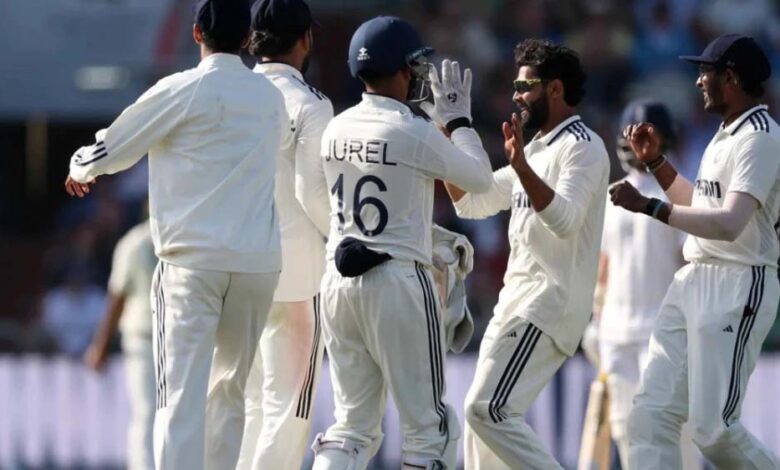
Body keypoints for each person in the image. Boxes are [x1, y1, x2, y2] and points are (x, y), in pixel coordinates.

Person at [64, 1, 287, 468]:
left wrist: (82, 165)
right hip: (256, 264)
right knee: (230, 395)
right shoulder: (271, 98)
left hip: (192, 266)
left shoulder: (183, 88)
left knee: (180, 398)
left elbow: (117, 146)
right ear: (248, 39)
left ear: (196, 33)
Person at [310, 16, 493, 470]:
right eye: (413, 66)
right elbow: (479, 179)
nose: (417, 75)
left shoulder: (335, 128)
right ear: (399, 69)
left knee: (351, 428)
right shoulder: (412, 130)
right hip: (397, 282)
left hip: (337, 280)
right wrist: (459, 122)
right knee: (429, 432)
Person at [610, 34, 780, 469]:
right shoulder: (726, 134)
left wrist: (649, 206)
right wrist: (656, 164)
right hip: (693, 280)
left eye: (706, 72)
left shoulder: (760, 137)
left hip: (737, 282)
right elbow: (702, 206)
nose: (699, 81)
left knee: (714, 431)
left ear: (731, 77)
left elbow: (728, 223)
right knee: (650, 417)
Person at [444, 38, 609, 468]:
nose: (516, 96)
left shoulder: (583, 146)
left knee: (488, 410)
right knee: (480, 428)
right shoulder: (534, 147)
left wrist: (520, 167)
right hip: (515, 304)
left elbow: (565, 220)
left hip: (548, 304)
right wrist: (448, 132)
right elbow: (472, 202)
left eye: (525, 86)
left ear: (555, 89)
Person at [236, 0, 331, 468]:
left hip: (236, 265)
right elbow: (312, 193)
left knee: (248, 402)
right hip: (297, 276)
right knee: (290, 407)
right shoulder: (311, 103)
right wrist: (347, 239)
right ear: (305, 39)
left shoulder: (233, 95)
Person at [595, 100, 699, 470]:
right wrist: (596, 319)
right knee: (625, 426)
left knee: (672, 426)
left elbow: (690, 261)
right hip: (615, 331)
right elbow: (604, 264)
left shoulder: (678, 193)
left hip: (664, 329)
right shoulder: (612, 194)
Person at [84, 218, 157, 470]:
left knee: (149, 413)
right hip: (147, 339)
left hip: (155, 338)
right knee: (150, 412)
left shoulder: (134, 242)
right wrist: (101, 345)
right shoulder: (137, 243)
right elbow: (117, 297)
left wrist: (100, 347)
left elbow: (116, 298)